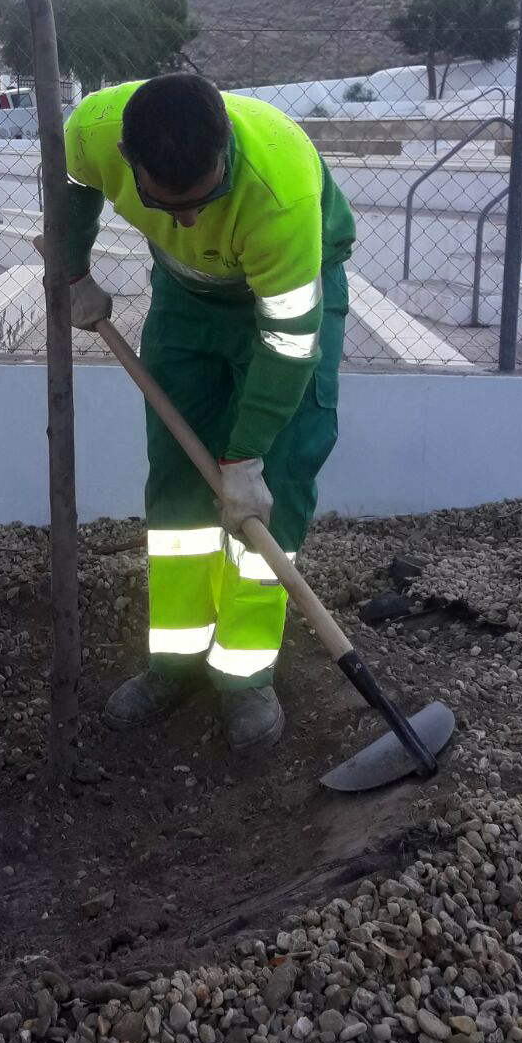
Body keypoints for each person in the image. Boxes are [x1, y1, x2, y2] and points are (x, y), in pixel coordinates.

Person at [64, 73, 354, 751]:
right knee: (177, 486)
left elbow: (286, 344)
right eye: (171, 207)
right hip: (187, 297)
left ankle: (244, 674)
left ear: (224, 150)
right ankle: (175, 660)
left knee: (269, 487)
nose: (189, 220)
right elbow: (73, 188)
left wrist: (246, 455)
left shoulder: (279, 196)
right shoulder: (92, 133)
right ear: (131, 165)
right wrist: (73, 272)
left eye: (203, 201)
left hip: (284, 294)